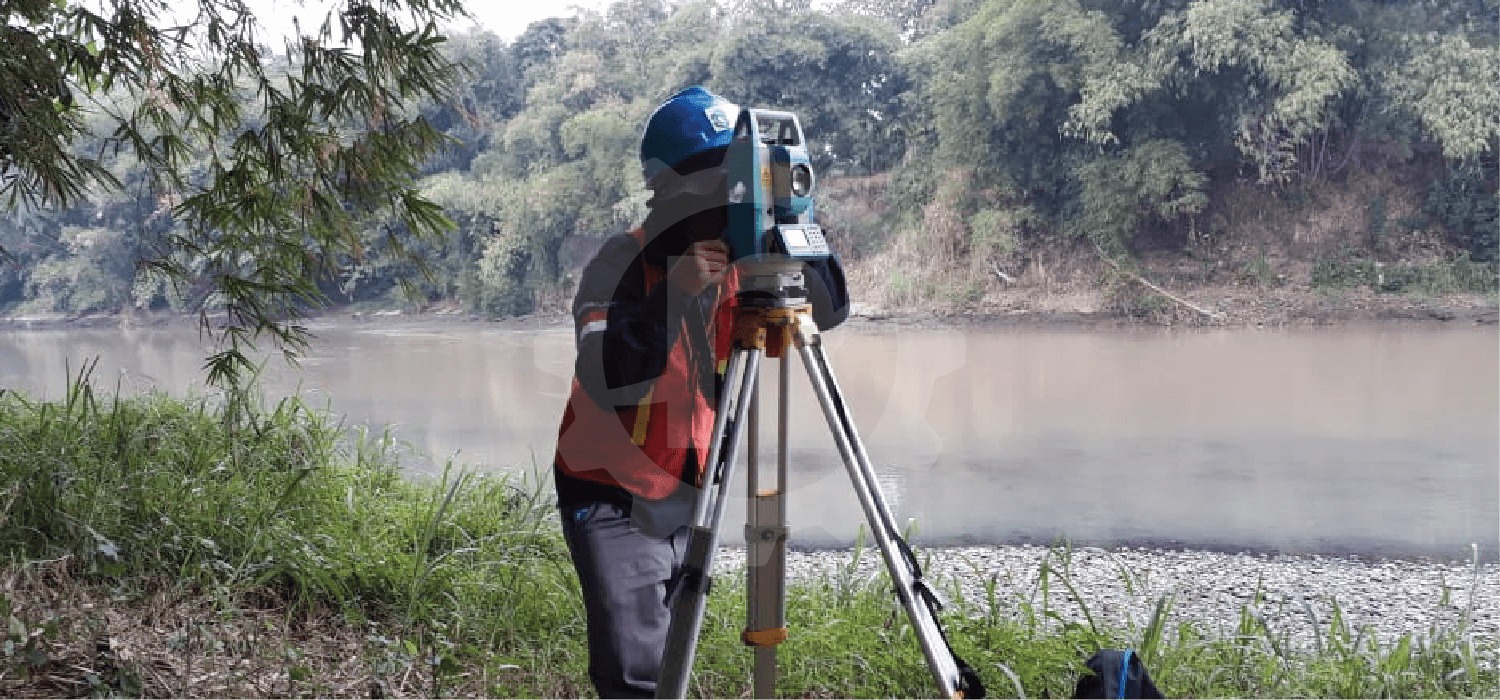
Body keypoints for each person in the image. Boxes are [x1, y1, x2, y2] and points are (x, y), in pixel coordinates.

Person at [551, 86, 849, 698]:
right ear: (670, 193)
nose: (728, 205)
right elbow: (608, 375)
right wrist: (677, 291)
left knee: (668, 652)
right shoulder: (618, 262)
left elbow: (833, 308)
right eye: (719, 189)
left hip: (690, 482)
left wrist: (791, 224)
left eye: (739, 187)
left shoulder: (744, 256)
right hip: (612, 492)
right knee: (636, 670)